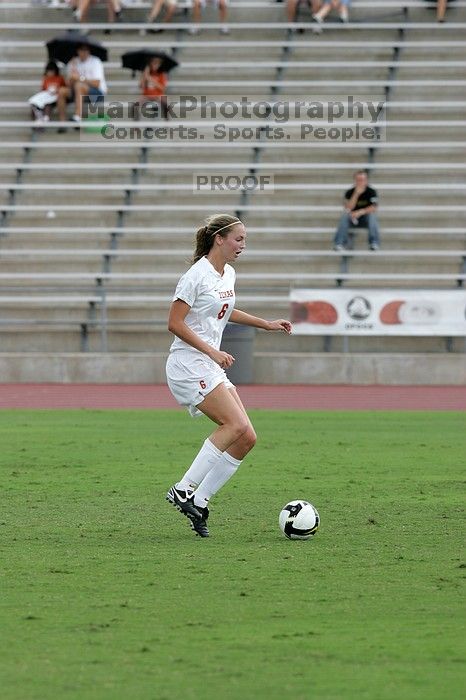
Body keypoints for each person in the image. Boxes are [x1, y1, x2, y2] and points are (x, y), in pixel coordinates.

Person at [165, 214, 292, 537]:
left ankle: (201, 502)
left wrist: (265, 323)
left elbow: (222, 310)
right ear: (219, 239)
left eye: (245, 240)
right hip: (188, 365)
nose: (243, 246)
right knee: (233, 425)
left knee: (247, 437)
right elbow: (175, 323)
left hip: (206, 364)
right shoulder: (195, 276)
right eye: (238, 239)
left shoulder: (228, 273)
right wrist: (212, 351)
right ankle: (183, 489)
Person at [57, 43, 107, 129]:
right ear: (77, 51)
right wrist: (72, 77)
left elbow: (97, 84)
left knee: (79, 85)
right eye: (81, 50)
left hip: (96, 93)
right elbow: (69, 85)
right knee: (62, 91)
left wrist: (80, 78)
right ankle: (62, 123)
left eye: (86, 50)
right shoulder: (73, 62)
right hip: (77, 91)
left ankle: (77, 117)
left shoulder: (95, 61)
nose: (83, 52)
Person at [333, 170, 380, 251]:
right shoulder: (349, 192)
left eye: (363, 180)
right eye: (359, 180)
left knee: (372, 216)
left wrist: (360, 212)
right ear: (355, 180)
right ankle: (339, 243)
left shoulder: (371, 191)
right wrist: (356, 194)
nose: (361, 182)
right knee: (345, 216)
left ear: (366, 180)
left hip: (365, 218)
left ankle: (374, 243)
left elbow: (374, 207)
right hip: (352, 218)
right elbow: (348, 208)